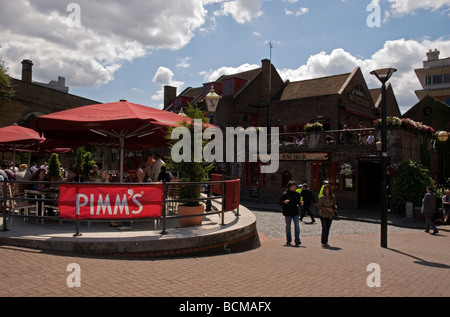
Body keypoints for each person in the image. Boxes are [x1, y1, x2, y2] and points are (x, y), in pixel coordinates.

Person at [280, 180, 302, 246]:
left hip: (295, 212)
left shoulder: (297, 194)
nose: (295, 187)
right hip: (287, 212)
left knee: (297, 226)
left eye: (295, 186)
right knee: (288, 227)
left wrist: (300, 203)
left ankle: (297, 240)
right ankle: (288, 240)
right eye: (293, 186)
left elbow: (298, 202)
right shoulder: (285, 194)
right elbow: (280, 202)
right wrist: (284, 202)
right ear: (290, 187)